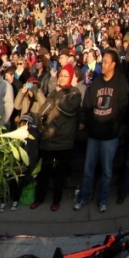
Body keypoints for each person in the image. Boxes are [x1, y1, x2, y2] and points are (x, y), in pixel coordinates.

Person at [76, 49, 129, 213]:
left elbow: (123, 108)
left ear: (113, 64)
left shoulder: (121, 82)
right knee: (88, 170)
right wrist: (88, 123)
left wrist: (114, 127)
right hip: (94, 135)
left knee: (107, 171)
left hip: (110, 136)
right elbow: (89, 104)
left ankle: (102, 200)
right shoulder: (97, 82)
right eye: (102, 61)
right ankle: (83, 198)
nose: (102, 64)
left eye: (105, 61)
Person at [32, 66, 81, 211]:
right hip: (49, 138)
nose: (62, 78)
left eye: (65, 76)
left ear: (71, 78)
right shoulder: (54, 92)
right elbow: (44, 109)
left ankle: (56, 201)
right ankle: (39, 198)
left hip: (64, 140)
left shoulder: (74, 92)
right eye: (60, 76)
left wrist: (58, 98)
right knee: (44, 172)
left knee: (60, 173)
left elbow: (70, 108)